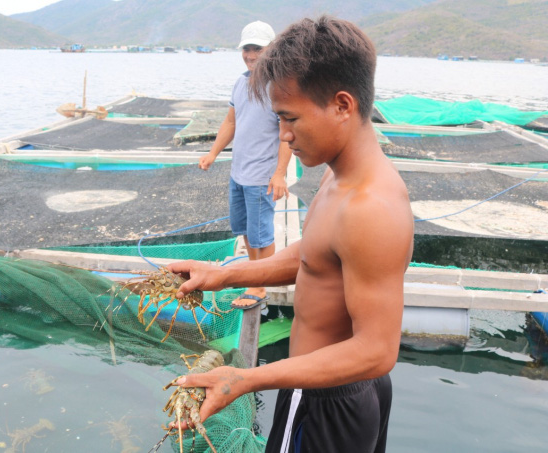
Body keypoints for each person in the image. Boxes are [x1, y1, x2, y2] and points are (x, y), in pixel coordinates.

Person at [167, 15, 414, 453]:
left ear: (342, 105)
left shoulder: (372, 206)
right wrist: (223, 275)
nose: (283, 134)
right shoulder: (340, 175)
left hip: (329, 403)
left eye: (289, 118)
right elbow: (316, 255)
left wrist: (246, 379)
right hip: (319, 389)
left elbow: (377, 350)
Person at [198, 20, 292, 309]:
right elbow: (231, 121)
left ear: (271, 49)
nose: (251, 55)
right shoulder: (241, 82)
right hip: (238, 174)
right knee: (245, 231)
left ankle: (260, 284)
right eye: (247, 49)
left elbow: (286, 136)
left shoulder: (280, 87)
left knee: (261, 234)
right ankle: (255, 275)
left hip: (261, 177)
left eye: (257, 49)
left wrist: (279, 175)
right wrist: (213, 153)